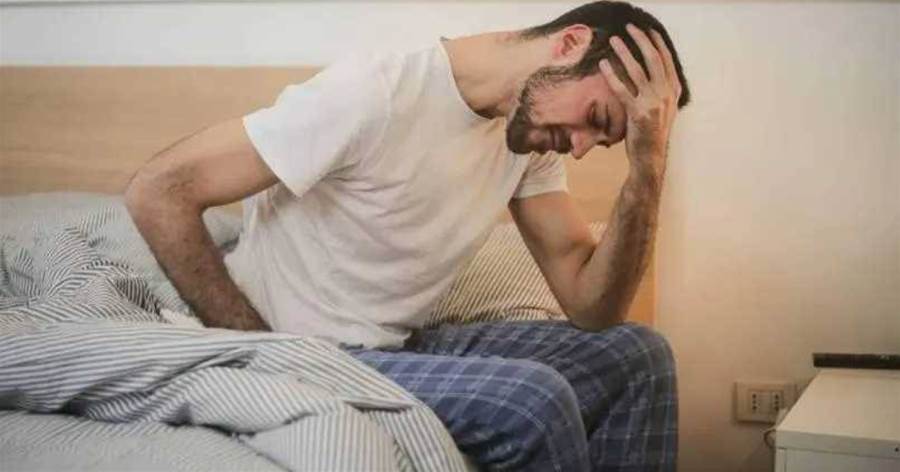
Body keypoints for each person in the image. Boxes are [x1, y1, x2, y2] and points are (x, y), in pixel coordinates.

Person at [125, 1, 690, 470]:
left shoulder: (527, 139)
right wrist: (264, 350)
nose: (582, 147)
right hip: (309, 348)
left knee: (638, 357)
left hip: (397, 347)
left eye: (604, 140)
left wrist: (647, 168)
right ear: (569, 44)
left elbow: (592, 307)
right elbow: (158, 190)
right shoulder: (375, 92)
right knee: (534, 402)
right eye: (596, 118)